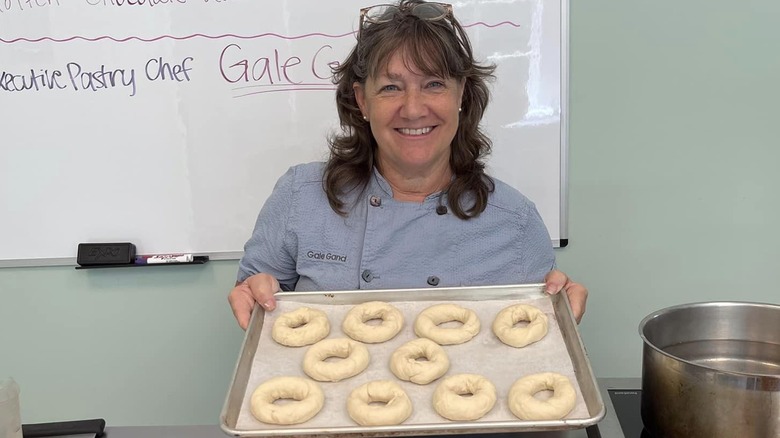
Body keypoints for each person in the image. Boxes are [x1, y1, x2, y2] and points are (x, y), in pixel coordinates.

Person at [228, 0, 588, 330]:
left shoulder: (515, 223)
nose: (413, 109)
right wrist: (256, 293)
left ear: (460, 94)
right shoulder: (301, 197)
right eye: (390, 88)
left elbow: (535, 336)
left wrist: (558, 310)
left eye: (433, 84)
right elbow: (259, 291)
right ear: (361, 100)